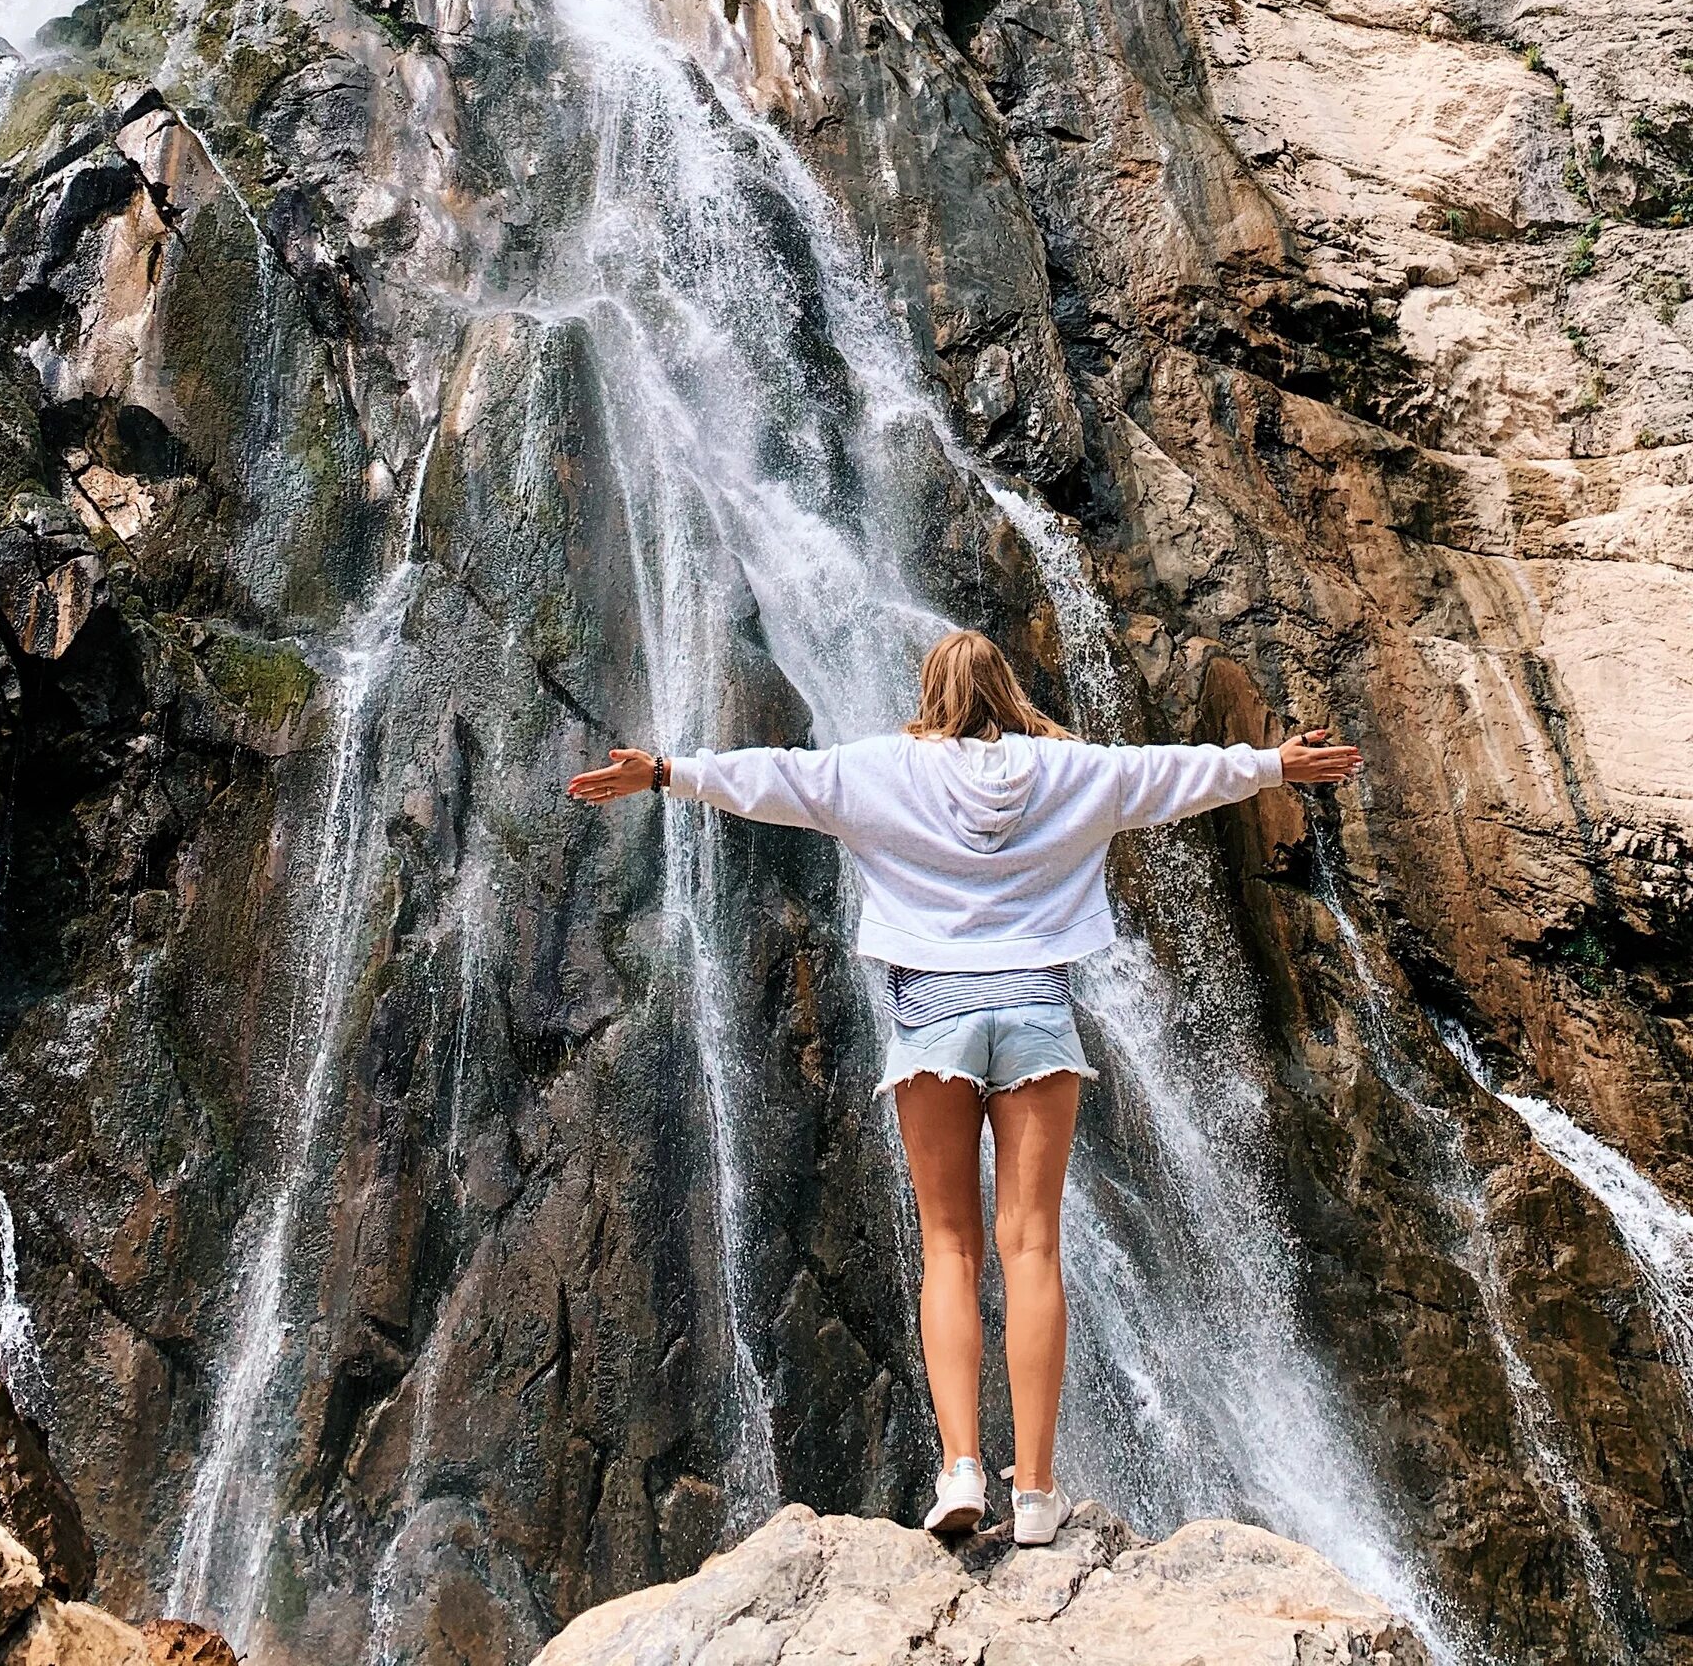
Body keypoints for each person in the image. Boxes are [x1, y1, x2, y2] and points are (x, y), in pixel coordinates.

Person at [567, 626, 1362, 1549]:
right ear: (1006, 689)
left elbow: (777, 778)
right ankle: (1039, 1492)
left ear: (931, 689)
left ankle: (960, 1470)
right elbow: (1174, 774)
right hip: (1035, 1013)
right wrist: (1270, 764)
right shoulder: (1073, 772)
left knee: (949, 1248)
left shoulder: (881, 770)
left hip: (932, 1024)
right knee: (1032, 1252)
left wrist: (664, 771)